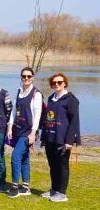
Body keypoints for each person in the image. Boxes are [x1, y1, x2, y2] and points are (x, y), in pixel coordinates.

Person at [41, 72, 80, 202]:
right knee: (53, 165)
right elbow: (47, 118)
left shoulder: (71, 100)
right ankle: (54, 189)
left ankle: (62, 193)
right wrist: (44, 136)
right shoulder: (51, 98)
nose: (56, 84)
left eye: (59, 82)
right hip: (50, 138)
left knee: (62, 165)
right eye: (54, 83)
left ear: (65, 84)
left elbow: (74, 122)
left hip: (62, 139)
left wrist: (69, 141)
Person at [6, 67, 43, 198]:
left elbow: (37, 115)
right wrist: (10, 127)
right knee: (24, 158)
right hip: (17, 129)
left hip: (28, 132)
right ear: (21, 78)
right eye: (24, 76)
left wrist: (33, 133)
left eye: (28, 76)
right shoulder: (19, 91)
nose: (26, 78)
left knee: (15, 156)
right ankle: (26, 187)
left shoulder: (36, 94)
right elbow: (13, 111)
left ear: (33, 78)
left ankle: (15, 187)